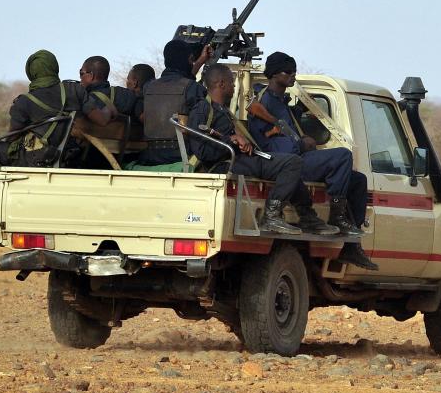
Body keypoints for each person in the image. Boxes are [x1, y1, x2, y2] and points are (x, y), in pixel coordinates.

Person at [247, 52, 378, 270]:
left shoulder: (279, 102)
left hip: (296, 158)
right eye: (287, 71)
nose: (292, 75)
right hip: (288, 164)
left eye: (294, 71)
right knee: (343, 155)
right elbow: (270, 144)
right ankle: (337, 217)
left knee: (358, 181)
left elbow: (287, 130)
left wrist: (300, 128)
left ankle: (351, 247)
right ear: (273, 74)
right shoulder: (265, 102)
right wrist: (300, 144)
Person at [187, 64, 337, 235]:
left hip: (240, 158)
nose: (234, 86)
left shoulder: (222, 110)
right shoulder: (203, 109)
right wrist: (232, 141)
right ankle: (272, 216)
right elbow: (202, 151)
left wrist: (239, 140)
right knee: (292, 163)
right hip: (225, 163)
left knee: (290, 165)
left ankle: (307, 216)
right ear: (221, 84)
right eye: (231, 82)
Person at [0, 50, 87, 236]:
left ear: (32, 72)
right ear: (54, 67)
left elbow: (11, 138)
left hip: (32, 158)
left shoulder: (25, 102)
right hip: (66, 156)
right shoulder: (74, 91)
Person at [136, 40, 212, 165]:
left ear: (166, 60)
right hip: (181, 156)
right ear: (190, 59)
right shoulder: (194, 88)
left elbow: (179, 82)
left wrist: (199, 62)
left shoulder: (148, 87)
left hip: (148, 156)